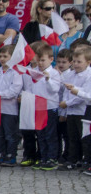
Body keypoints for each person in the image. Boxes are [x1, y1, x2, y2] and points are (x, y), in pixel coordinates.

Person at [0, 43, 23, 167]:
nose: (2, 59)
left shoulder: (16, 73)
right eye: (0, 56)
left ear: (12, 57)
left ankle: (11, 155)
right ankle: (0, 153)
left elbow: (14, 91)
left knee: (10, 133)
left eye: (5, 56)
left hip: (9, 109)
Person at [29, 41, 61, 169]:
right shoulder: (35, 72)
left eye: (43, 60)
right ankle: (43, 157)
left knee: (50, 134)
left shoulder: (54, 73)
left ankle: (52, 158)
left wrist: (48, 80)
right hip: (38, 107)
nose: (40, 63)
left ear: (51, 59)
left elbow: (54, 90)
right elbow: (33, 88)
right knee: (40, 134)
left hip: (50, 107)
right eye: (38, 60)